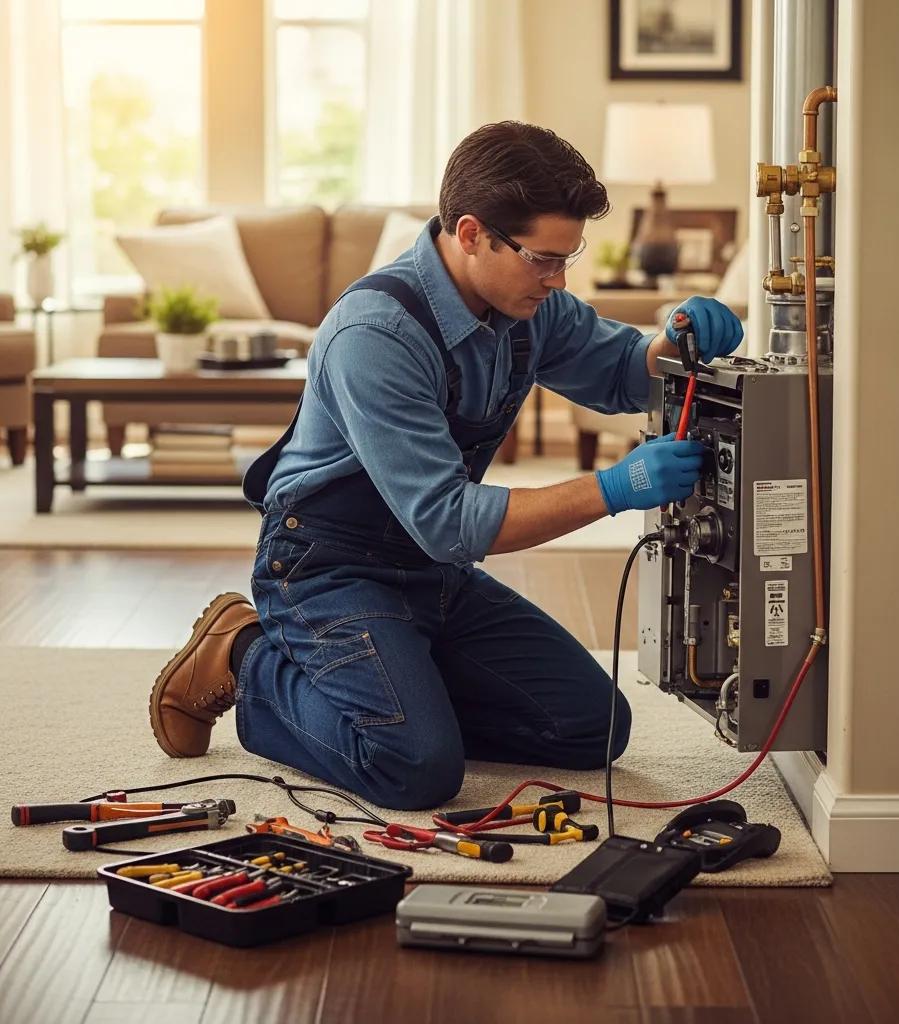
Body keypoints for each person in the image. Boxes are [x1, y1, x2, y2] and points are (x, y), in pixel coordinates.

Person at [148, 121, 742, 811]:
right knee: (416, 769)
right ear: (469, 234)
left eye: (567, 257)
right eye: (542, 259)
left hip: (432, 577)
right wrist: (614, 487)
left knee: (594, 728)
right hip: (330, 569)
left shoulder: (527, 305)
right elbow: (447, 522)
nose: (559, 278)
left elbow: (619, 370)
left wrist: (672, 341)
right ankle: (244, 655)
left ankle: (399, 685)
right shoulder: (375, 333)